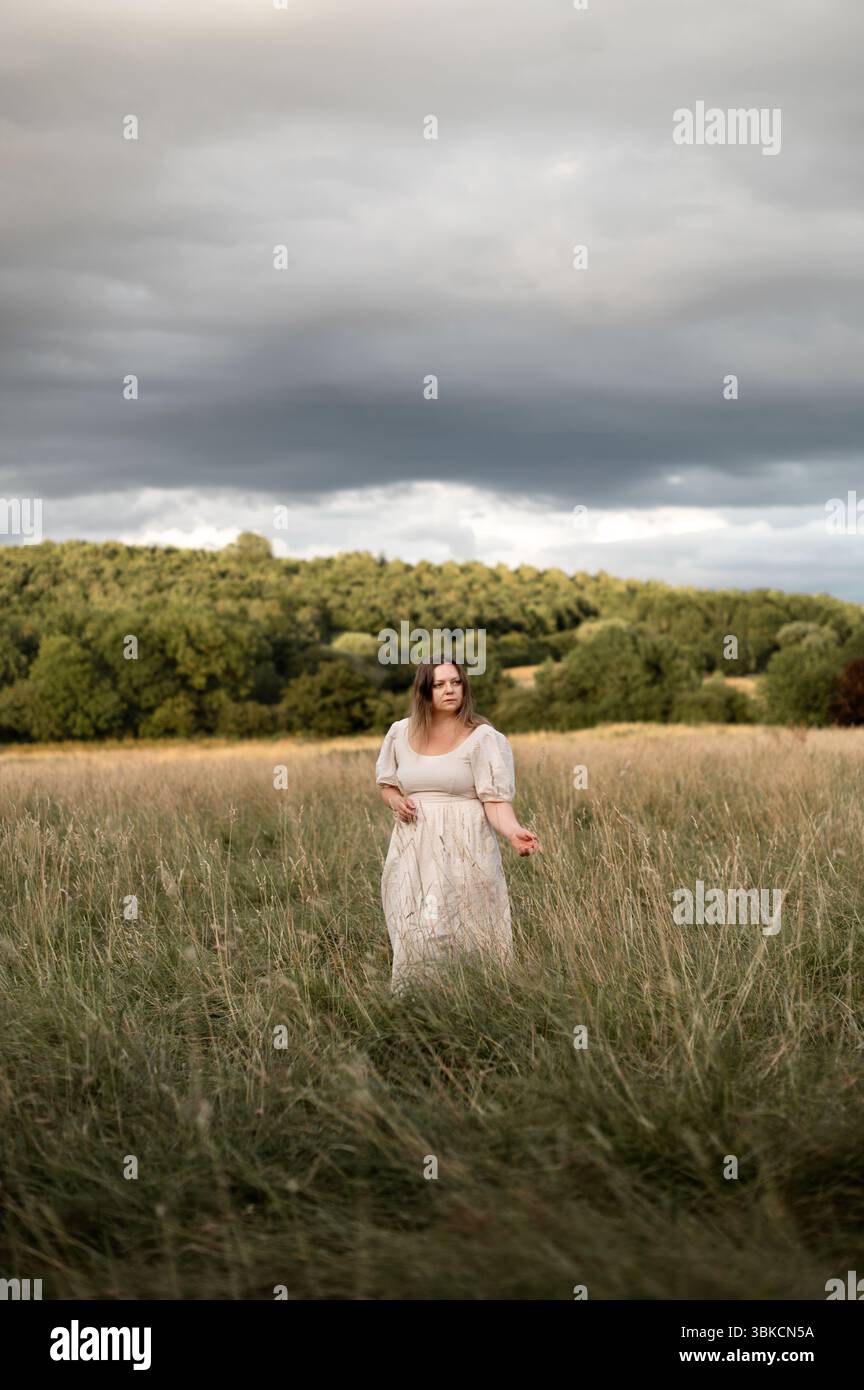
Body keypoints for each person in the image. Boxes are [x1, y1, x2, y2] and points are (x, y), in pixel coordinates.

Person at [374, 659, 541, 990]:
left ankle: (477, 996)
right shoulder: (400, 732)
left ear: (465, 686)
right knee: (417, 926)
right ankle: (418, 1001)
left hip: (465, 844)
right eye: (439, 685)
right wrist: (397, 802)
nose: (449, 690)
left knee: (467, 923)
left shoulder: (482, 738)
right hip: (413, 844)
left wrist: (513, 832)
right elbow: (387, 785)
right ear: (425, 691)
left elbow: (494, 800)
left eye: (455, 682)